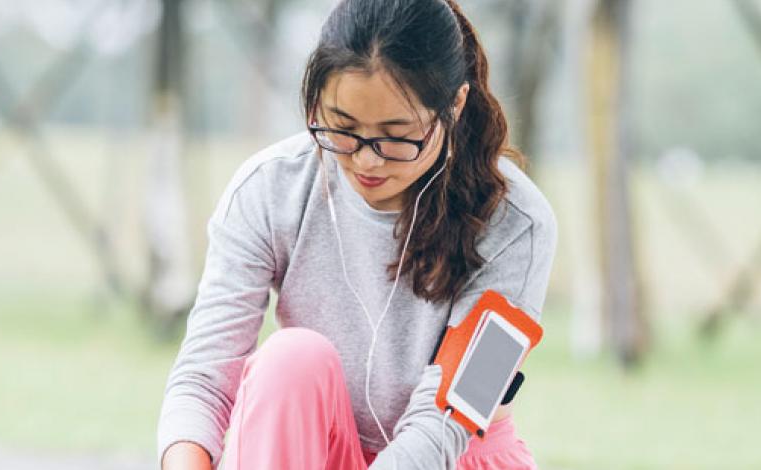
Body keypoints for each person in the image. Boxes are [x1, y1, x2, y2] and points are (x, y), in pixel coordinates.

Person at [158, 0, 557, 468]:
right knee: (291, 361)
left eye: (396, 135)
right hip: (309, 450)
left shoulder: (521, 223)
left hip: (452, 455)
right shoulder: (268, 189)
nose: (366, 160)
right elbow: (205, 375)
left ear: (455, 104)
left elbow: (452, 415)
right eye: (342, 127)